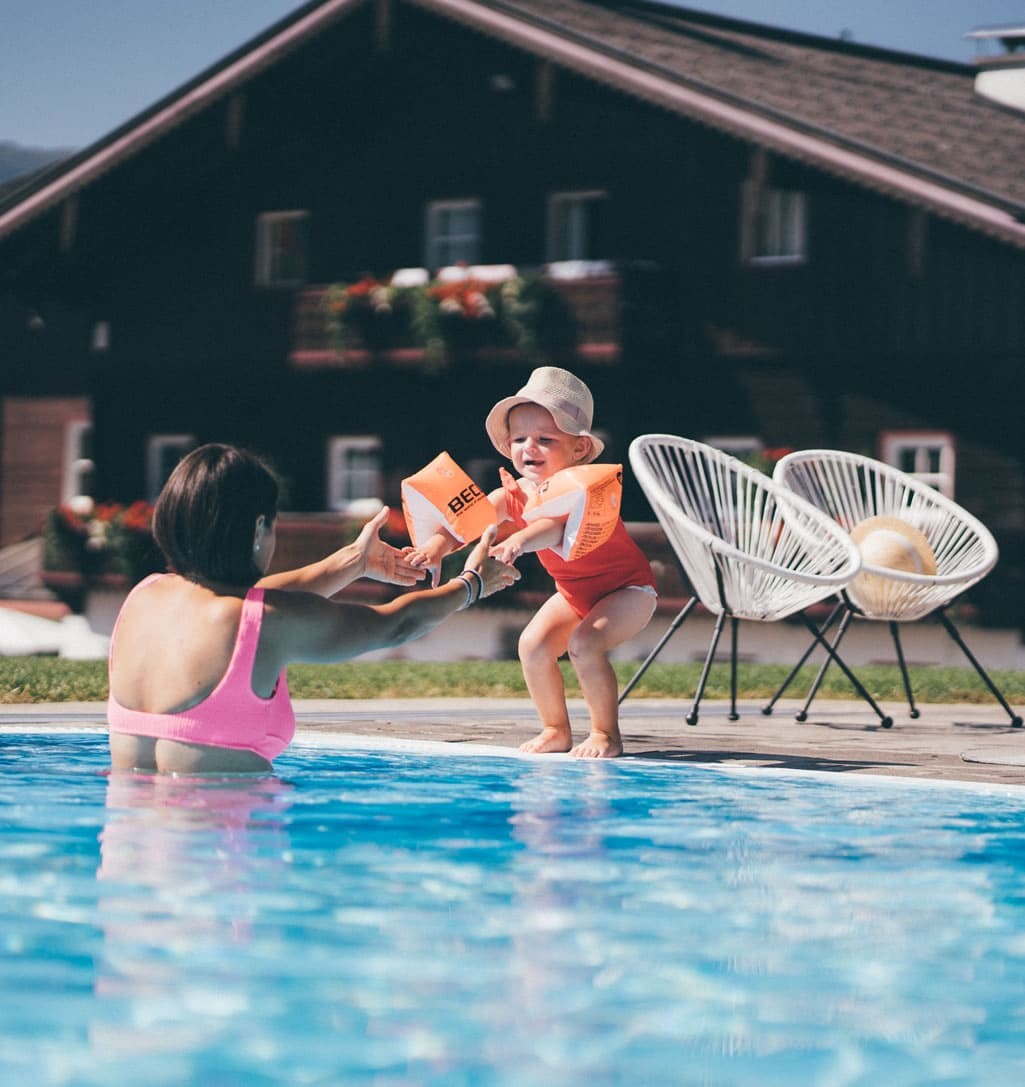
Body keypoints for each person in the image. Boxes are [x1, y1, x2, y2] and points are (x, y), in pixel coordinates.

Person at [107, 443, 519, 774]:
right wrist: (472, 583)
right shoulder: (265, 622)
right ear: (257, 530)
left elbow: (240, 601)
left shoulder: (145, 597)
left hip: (128, 859)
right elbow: (397, 624)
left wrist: (350, 563)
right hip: (223, 861)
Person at [409, 367, 657, 758]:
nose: (529, 448)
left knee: (585, 644)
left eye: (545, 439)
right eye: (520, 439)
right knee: (533, 645)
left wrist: (518, 541)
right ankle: (555, 729)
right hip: (575, 593)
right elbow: (465, 523)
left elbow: (554, 530)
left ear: (578, 449)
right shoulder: (513, 493)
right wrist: (436, 548)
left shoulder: (581, 489)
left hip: (627, 590)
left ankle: (606, 734)